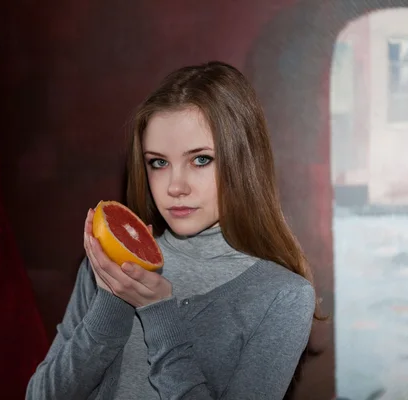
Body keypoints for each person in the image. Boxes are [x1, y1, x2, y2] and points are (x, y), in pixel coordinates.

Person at [26, 61, 318, 400]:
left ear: (243, 160)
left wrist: (159, 311)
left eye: (201, 159)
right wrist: (111, 302)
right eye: (158, 163)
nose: (175, 186)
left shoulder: (282, 296)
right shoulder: (108, 263)